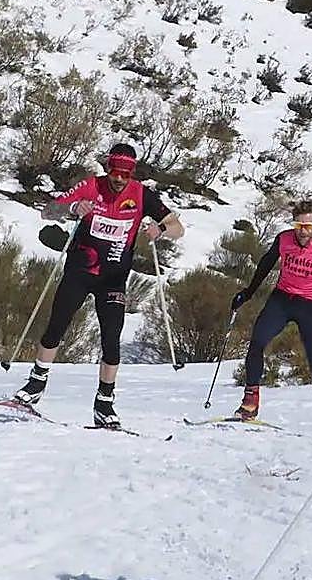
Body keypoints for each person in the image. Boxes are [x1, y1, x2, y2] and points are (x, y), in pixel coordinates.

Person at [12, 143, 185, 427]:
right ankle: (35, 384)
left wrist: (161, 230)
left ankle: (104, 403)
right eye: (115, 172)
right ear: (108, 168)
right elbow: (48, 211)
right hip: (80, 272)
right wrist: (72, 208)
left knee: (111, 340)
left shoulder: (141, 194)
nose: (119, 179)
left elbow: (178, 227)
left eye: (126, 174)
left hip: (113, 279)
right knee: (57, 326)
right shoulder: (91, 186)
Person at [229, 200, 312, 438]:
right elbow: (266, 263)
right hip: (281, 300)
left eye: (308, 226)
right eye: (298, 225)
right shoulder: (284, 239)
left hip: (309, 307)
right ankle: (250, 401)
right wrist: (248, 291)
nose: (303, 231)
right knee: (257, 341)